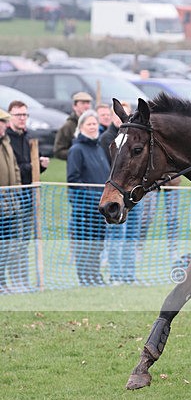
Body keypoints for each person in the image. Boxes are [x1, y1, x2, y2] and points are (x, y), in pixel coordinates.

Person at [6, 100, 49, 291]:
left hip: (27, 198)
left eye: (25, 115)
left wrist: (39, 166)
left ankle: (21, 280)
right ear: (9, 117)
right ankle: (8, 281)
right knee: (10, 244)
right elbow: (17, 169)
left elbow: (28, 170)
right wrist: (34, 166)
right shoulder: (6, 139)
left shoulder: (27, 137)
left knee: (23, 244)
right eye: (18, 115)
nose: (22, 118)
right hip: (11, 197)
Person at [99, 101, 143, 284]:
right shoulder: (108, 139)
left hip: (133, 193)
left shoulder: (134, 138)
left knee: (132, 237)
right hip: (117, 193)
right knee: (118, 237)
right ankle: (116, 274)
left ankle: (128, 275)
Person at [67, 110, 110, 286]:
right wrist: (92, 198)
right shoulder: (76, 150)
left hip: (101, 208)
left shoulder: (99, 148)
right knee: (85, 245)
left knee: (97, 245)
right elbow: (73, 179)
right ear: (81, 127)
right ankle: (85, 277)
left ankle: (95, 275)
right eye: (89, 124)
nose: (93, 127)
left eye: (95, 124)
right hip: (84, 208)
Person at [0, 108, 21, 293]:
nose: (4, 125)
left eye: (5, 122)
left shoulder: (6, 142)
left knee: (8, 246)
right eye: (1, 122)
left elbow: (14, 169)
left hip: (9, 203)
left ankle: (3, 280)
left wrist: (18, 194)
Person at [53, 91, 93, 160]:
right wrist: (77, 154)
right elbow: (58, 151)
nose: (86, 106)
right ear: (74, 106)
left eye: (88, 103)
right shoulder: (68, 126)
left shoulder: (95, 124)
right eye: (83, 103)